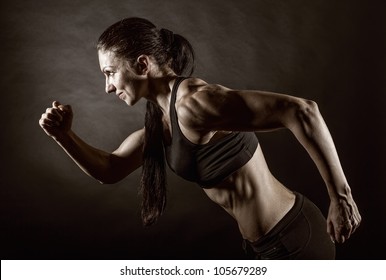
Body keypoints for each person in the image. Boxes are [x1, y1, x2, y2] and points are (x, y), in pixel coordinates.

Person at [39, 17, 361, 259]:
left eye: (110, 73)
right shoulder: (162, 123)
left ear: (141, 64)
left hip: (292, 238)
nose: (107, 87)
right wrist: (63, 135)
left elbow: (303, 111)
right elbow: (110, 169)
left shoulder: (194, 102)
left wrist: (340, 196)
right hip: (262, 246)